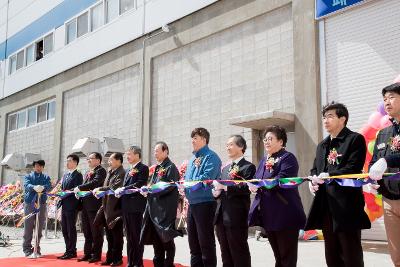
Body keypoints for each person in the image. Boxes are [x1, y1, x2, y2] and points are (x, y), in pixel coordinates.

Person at [305, 102, 370, 267]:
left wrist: (330, 175)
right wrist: (312, 181)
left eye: (330, 116)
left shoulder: (354, 139)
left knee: (350, 253)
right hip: (326, 205)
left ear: (343, 119)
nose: (326, 120)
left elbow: (353, 168)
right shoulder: (322, 145)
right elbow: (315, 168)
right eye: (324, 117)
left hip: (346, 206)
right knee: (331, 253)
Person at [248, 126, 306, 267]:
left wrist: (261, 184)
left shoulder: (288, 158)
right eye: (265, 139)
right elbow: (257, 179)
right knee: (278, 256)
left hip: (285, 213)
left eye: (270, 139)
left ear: (281, 142)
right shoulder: (263, 160)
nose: (266, 142)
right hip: (269, 215)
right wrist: (253, 185)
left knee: (287, 257)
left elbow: (282, 179)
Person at [368, 83, 400, 267]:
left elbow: (385, 160)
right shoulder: (383, 133)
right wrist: (371, 180)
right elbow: (375, 162)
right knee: (396, 257)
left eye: (392, 97)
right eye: (385, 99)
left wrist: (387, 160)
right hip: (388, 200)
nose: (387, 102)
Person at [213, 135, 255, 267]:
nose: (227, 147)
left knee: (239, 252)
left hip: (236, 217)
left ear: (241, 147)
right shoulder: (225, 169)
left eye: (231, 144)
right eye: (227, 145)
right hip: (221, 217)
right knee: (225, 253)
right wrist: (216, 192)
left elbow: (245, 187)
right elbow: (221, 189)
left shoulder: (248, 167)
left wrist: (225, 187)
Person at [140, 141, 182, 267]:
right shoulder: (157, 168)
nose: (155, 153)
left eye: (157, 151)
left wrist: (152, 189)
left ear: (165, 151)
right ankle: (157, 263)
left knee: (166, 238)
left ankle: (169, 264)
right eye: (154, 151)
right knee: (156, 239)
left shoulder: (171, 167)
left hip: (165, 210)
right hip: (154, 209)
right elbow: (152, 184)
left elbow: (170, 186)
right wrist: (147, 189)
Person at [184, 128, 221, 267]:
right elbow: (187, 178)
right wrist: (184, 186)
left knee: (206, 243)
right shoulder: (193, 158)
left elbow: (206, 178)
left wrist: (187, 185)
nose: (192, 141)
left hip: (205, 203)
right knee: (193, 243)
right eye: (192, 138)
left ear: (204, 139)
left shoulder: (211, 157)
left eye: (195, 138)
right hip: (192, 204)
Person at [115, 146, 149, 267]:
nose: (127, 157)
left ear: (137, 155)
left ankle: (138, 263)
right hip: (126, 207)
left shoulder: (143, 168)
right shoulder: (129, 170)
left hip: (136, 208)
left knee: (136, 236)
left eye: (129, 154)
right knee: (129, 237)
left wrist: (124, 188)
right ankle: (130, 262)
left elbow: (140, 183)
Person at [93, 152, 125, 266]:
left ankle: (117, 259)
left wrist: (100, 188)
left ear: (118, 160)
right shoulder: (110, 172)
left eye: (111, 160)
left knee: (117, 237)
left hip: (116, 209)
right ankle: (110, 258)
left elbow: (114, 187)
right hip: (107, 208)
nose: (109, 162)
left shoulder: (122, 173)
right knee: (109, 236)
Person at [74, 152, 106, 263]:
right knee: (86, 231)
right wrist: (80, 193)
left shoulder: (101, 171)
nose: (88, 160)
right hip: (85, 205)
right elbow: (87, 185)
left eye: (90, 158)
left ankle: (96, 254)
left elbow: (95, 183)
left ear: (98, 160)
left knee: (96, 231)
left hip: (94, 206)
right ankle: (87, 253)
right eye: (88, 158)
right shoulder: (88, 172)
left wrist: (80, 187)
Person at [22, 159, 51, 257]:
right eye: (36, 166)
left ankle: (37, 248)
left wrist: (43, 187)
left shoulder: (46, 177)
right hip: (30, 203)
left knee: (39, 226)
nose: (38, 168)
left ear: (43, 167)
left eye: (40, 166)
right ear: (34, 167)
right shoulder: (28, 176)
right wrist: (34, 187)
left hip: (41, 203)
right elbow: (26, 185)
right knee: (28, 226)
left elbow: (48, 185)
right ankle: (26, 249)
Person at [57, 154, 83, 260]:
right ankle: (68, 250)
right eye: (67, 160)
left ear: (75, 162)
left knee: (70, 229)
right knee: (64, 229)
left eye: (69, 161)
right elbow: (63, 189)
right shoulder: (66, 175)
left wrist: (66, 193)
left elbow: (76, 190)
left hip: (72, 205)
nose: (67, 163)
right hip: (64, 204)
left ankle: (72, 251)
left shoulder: (78, 175)